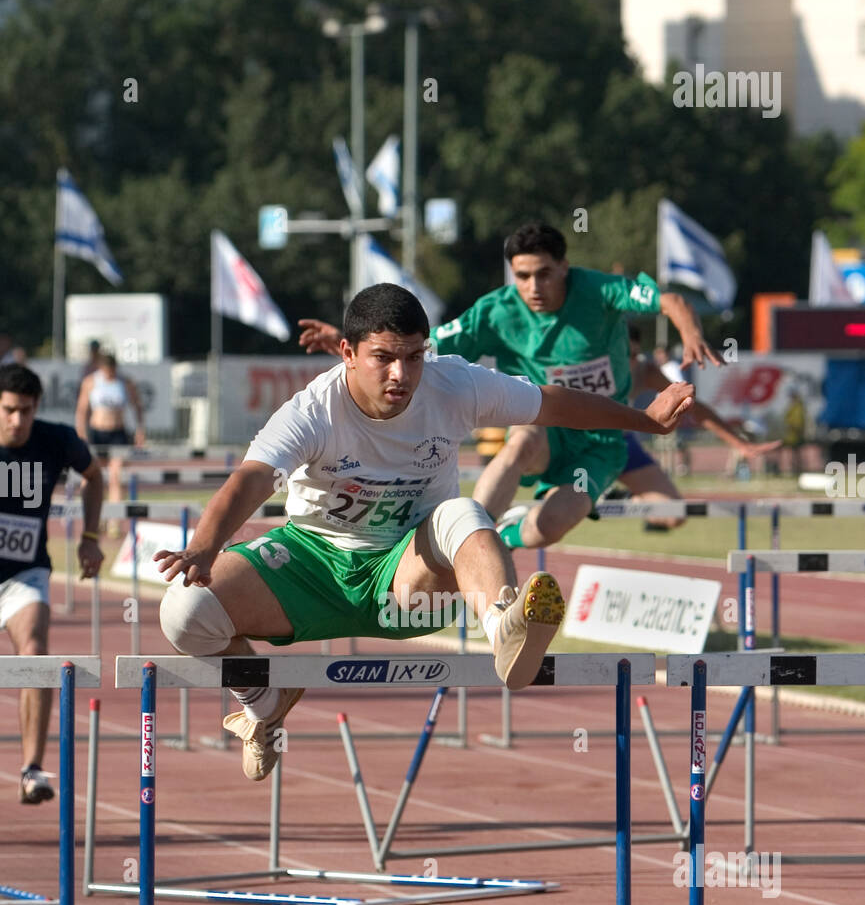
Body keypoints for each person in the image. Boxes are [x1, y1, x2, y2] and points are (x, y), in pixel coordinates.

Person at [156, 285, 692, 782]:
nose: (401, 375)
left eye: (413, 357)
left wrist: (645, 420)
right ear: (347, 352)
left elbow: (551, 402)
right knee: (184, 612)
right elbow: (252, 480)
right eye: (383, 358)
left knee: (464, 512)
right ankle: (264, 702)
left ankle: (505, 625)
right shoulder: (311, 411)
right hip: (313, 561)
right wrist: (205, 545)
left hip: (408, 574)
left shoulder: (454, 384)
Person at [299, 222, 718, 553]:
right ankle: (468, 539)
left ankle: (500, 541)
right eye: (522, 276)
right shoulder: (496, 311)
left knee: (552, 526)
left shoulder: (601, 290)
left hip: (601, 439)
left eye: (543, 274)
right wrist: (355, 340)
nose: (533, 287)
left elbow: (672, 301)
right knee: (521, 443)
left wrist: (692, 336)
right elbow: (419, 347)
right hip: (545, 424)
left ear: (564, 267)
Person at [0, 364, 104, 803]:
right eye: (8, 410)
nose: (17, 421)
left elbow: (94, 476)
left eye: (25, 410)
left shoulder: (56, 440)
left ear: (36, 407)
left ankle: (31, 770)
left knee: (36, 651)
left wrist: (91, 538)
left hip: (25, 573)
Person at [617, 327, 781, 529]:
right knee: (574, 506)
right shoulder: (588, 365)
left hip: (621, 444)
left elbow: (697, 409)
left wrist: (739, 443)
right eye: (623, 354)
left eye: (634, 355)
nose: (629, 361)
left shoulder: (644, 371)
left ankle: (625, 497)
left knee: (673, 515)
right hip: (582, 443)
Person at [75, 352, 145, 536]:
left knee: (116, 475)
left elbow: (137, 406)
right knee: (93, 476)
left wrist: (140, 429)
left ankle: (114, 521)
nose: (110, 375)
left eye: (112, 371)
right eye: (107, 371)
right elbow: (82, 409)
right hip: (98, 433)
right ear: (101, 368)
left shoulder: (124, 382)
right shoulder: (91, 381)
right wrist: (81, 433)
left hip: (118, 433)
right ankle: (95, 519)